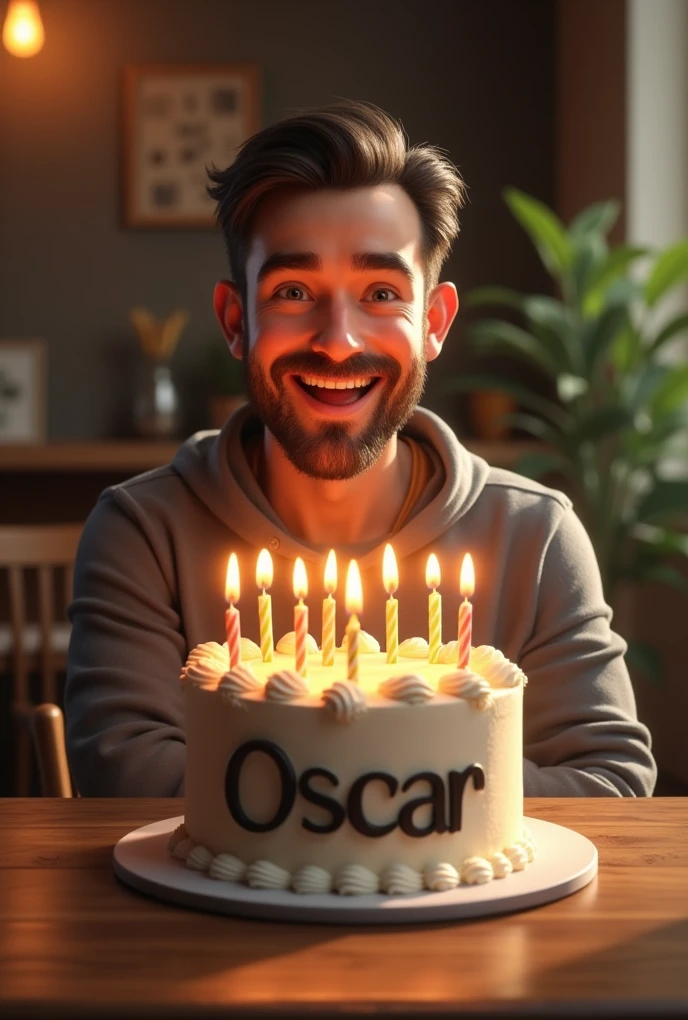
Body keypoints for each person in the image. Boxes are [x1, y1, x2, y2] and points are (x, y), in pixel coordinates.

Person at [64, 99, 656, 798]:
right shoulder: (143, 532)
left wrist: (339, 794)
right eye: (292, 290)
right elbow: (124, 778)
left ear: (433, 323)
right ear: (235, 320)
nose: (338, 340)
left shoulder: (535, 535)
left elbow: (610, 782)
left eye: (380, 292)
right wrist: (409, 793)